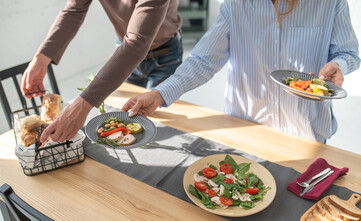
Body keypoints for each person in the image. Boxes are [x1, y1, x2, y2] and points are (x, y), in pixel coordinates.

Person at [122, 0, 360, 143]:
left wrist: (340, 65)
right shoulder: (236, 5)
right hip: (246, 129)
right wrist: (158, 94)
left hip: (308, 133)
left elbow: (349, 53)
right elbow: (203, 61)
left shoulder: (330, 2)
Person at [21, 0, 182, 143]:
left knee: (163, 125)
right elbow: (73, 11)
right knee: (127, 121)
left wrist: (82, 105)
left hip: (165, 53)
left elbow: (137, 42)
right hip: (124, 54)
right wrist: (42, 58)